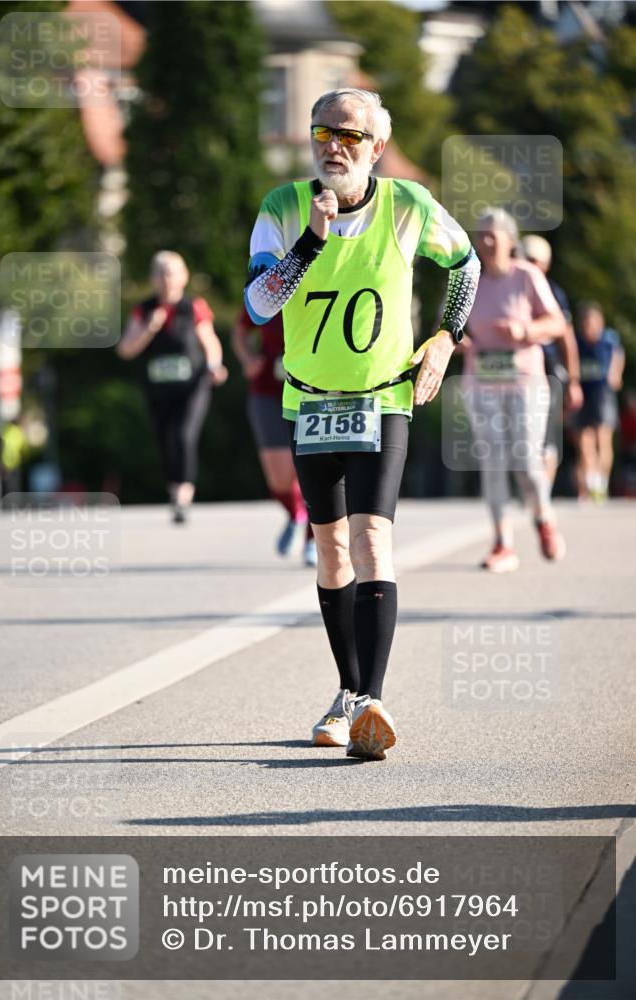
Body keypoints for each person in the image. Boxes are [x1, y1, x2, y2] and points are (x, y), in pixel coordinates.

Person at [244, 88, 479, 760]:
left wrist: (444, 340)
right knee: (330, 549)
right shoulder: (283, 206)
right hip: (310, 402)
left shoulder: (408, 205)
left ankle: (372, 699)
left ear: (376, 146)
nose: (335, 146)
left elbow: (464, 265)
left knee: (372, 536)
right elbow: (260, 305)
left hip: (382, 397)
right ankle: (347, 694)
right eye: (325, 132)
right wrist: (311, 242)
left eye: (350, 135)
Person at [463, 209, 567, 573]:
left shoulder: (527, 276)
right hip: (482, 379)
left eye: (493, 235)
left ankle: (542, 515)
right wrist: (457, 341)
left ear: (510, 239)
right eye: (481, 235)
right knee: (492, 459)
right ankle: (502, 542)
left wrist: (524, 331)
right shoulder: (468, 278)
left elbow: (556, 323)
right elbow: (447, 327)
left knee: (525, 458)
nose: (486, 242)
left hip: (524, 379)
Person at [117, 251, 227, 523]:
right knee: (166, 439)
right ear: (153, 278)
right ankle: (174, 488)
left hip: (192, 386)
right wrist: (149, 329)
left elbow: (210, 341)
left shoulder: (194, 307)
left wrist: (214, 365)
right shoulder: (143, 310)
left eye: (172, 273)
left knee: (183, 434)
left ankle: (182, 498)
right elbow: (126, 350)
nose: (167, 279)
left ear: (184, 276)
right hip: (158, 390)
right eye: (161, 273)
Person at [231, 307, 317, 566]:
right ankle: (296, 514)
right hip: (268, 392)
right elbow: (240, 330)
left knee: (315, 473)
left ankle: (313, 541)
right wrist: (248, 359)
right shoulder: (271, 285)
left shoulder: (323, 278)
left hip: (314, 392)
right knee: (279, 480)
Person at [521, 235, 583, 485]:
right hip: (516, 369)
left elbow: (566, 339)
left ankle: (542, 493)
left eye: (534, 260)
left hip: (547, 368)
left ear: (545, 264)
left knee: (545, 435)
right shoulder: (509, 287)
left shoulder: (554, 292)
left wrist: (573, 380)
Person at [574, 301, 625, 501]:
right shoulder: (577, 341)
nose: (588, 326)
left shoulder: (609, 339)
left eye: (591, 321)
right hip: (583, 391)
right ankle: (590, 480)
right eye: (585, 322)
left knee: (603, 438)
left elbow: (618, 355)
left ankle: (601, 481)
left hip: (603, 391)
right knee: (584, 441)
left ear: (600, 322)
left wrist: (615, 373)